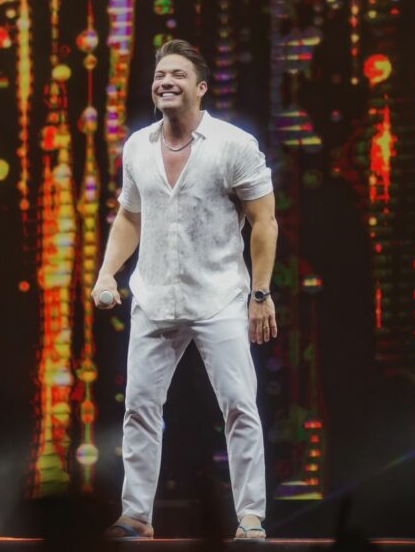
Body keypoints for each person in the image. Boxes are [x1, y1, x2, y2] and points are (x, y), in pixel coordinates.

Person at [92, 39, 277, 540]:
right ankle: (135, 516)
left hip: (218, 295)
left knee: (239, 404)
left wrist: (260, 294)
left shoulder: (233, 145)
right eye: (159, 75)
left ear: (199, 87)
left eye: (176, 74)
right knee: (139, 408)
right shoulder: (137, 147)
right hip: (154, 296)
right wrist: (108, 272)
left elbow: (264, 222)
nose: (165, 81)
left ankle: (251, 518)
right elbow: (131, 215)